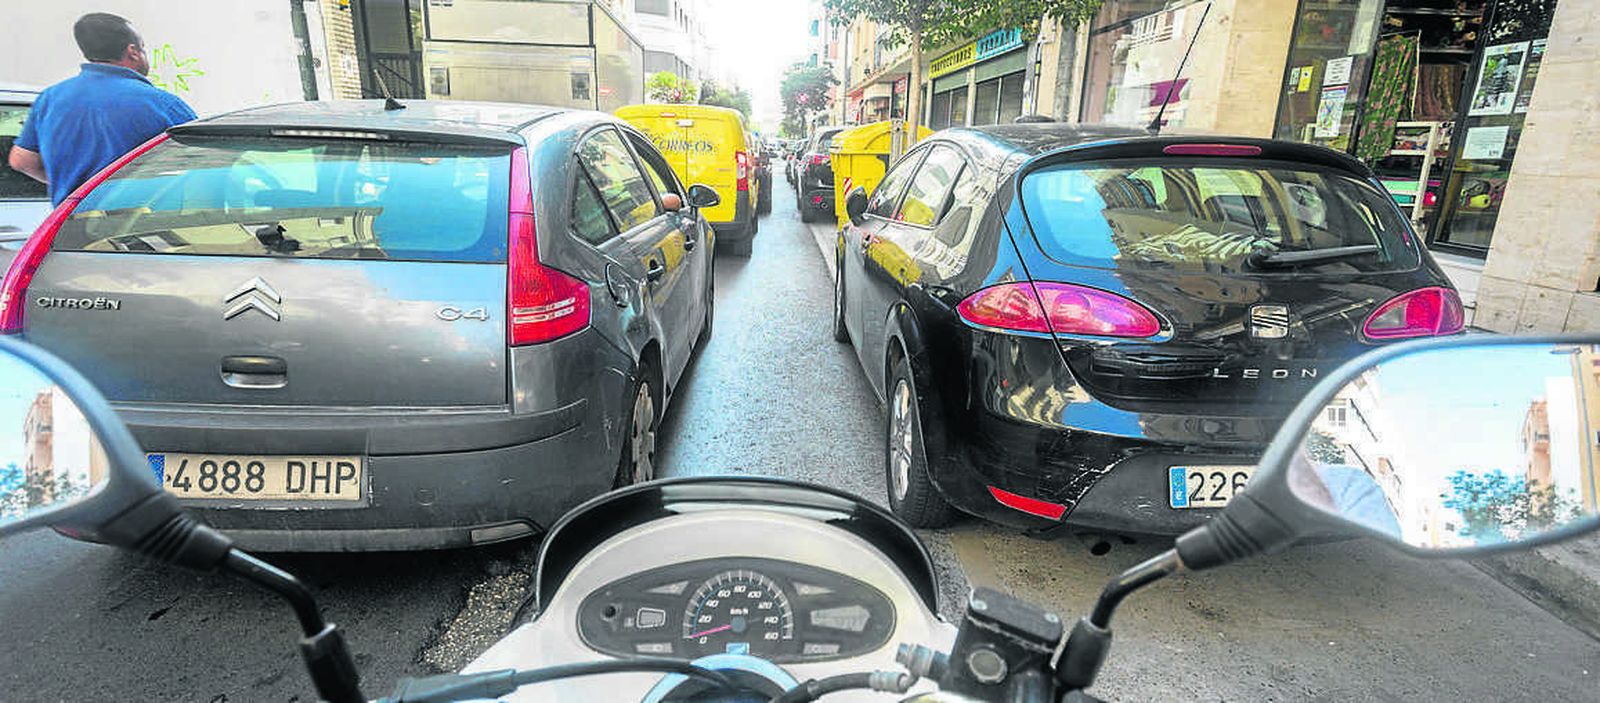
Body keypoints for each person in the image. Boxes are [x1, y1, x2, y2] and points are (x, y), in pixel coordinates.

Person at [7, 12, 196, 206]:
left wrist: (76, 186)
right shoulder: (162, 104)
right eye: (143, 48)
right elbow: (207, 162)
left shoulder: (50, 99)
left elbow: (21, 161)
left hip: (69, 228)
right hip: (140, 227)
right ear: (133, 51)